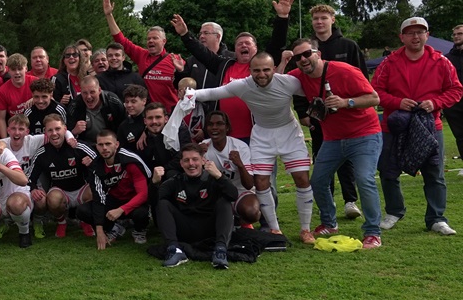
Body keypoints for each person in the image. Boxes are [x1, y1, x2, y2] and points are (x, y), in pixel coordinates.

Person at [186, 52, 315, 242]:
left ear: (274, 69)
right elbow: (213, 93)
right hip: (262, 135)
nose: (261, 74)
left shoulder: (289, 82)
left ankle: (305, 229)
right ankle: (274, 230)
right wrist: (190, 94)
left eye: (266, 70)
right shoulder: (243, 85)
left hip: (289, 132)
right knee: (261, 183)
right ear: (250, 71)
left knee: (302, 178)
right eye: (256, 70)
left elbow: (313, 88)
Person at [286, 39, 384, 249]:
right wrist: (283, 61)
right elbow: (273, 80)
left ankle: (373, 232)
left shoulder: (345, 71)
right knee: (318, 181)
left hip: (364, 135)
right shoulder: (299, 75)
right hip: (333, 139)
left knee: (364, 179)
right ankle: (329, 223)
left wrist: (346, 102)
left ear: (318, 54)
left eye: (307, 54)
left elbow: (374, 98)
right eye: (297, 57)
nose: (303, 59)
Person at [372, 17, 463, 235]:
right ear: (401, 37)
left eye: (420, 32)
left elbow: (456, 90)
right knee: (388, 170)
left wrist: (436, 103)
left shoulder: (441, 61)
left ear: (427, 35)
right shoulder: (389, 63)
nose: (415, 36)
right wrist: (397, 102)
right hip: (395, 125)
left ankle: (436, 218)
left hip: (431, 125)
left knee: (435, 173)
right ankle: (394, 211)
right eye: (410, 33)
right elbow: (375, 91)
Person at [156, 144, 238, 269]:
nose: (191, 164)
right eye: (186, 160)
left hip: (209, 229)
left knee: (225, 202)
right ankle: (174, 250)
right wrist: (154, 183)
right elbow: (155, 201)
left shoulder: (213, 179)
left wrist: (219, 176)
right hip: (185, 229)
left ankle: (220, 250)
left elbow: (233, 195)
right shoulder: (175, 181)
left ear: (203, 161)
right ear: (181, 163)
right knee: (163, 204)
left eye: (195, 159)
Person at [27, 115, 96, 242]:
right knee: (52, 199)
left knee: (95, 190)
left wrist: (92, 163)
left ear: (65, 129)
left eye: (57, 129)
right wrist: (33, 189)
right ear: (45, 132)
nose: (54, 133)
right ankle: (61, 222)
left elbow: (101, 163)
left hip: (82, 189)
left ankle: (85, 221)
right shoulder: (42, 153)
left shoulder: (78, 146)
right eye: (50, 130)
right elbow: (30, 177)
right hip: (60, 191)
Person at [103, 0, 179, 108]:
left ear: (164, 41)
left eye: (155, 38)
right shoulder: (142, 55)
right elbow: (121, 40)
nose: (151, 41)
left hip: (171, 112)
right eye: (148, 39)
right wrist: (109, 15)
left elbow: (188, 83)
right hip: (148, 113)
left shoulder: (175, 60)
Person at [81, 130, 150, 248]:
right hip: (114, 198)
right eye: (101, 145)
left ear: (116, 144)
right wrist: (99, 230)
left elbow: (143, 194)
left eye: (108, 144)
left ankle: (139, 230)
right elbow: (98, 198)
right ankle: (114, 229)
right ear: (97, 147)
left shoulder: (129, 160)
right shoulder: (95, 166)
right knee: (83, 210)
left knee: (141, 213)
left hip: (133, 199)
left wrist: (121, 209)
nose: (104, 148)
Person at [199, 111, 261, 229]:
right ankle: (230, 223)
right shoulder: (202, 147)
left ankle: (243, 222)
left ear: (227, 127)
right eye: (210, 124)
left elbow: (249, 185)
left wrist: (240, 165)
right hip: (216, 194)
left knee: (251, 212)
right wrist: (198, 157)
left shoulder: (240, 147)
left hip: (240, 192)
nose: (214, 127)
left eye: (219, 124)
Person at [66, 76, 126, 144]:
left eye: (92, 92)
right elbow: (67, 132)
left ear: (99, 90)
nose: (89, 96)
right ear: (81, 92)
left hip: (111, 144)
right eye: (85, 93)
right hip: (86, 145)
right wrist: (74, 131)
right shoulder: (74, 106)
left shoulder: (113, 102)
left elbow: (124, 126)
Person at [0, 54, 36, 138]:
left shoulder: (35, 82)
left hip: (36, 124)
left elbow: (50, 97)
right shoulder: (3, 91)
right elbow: (1, 119)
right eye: (13, 69)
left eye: (20, 69)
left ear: (26, 69)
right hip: (17, 129)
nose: (17, 72)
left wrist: (35, 98)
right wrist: (5, 140)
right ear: (8, 70)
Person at [442, 24, 463, 164]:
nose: (456, 36)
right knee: (460, 137)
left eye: (459, 34)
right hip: (454, 105)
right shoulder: (447, 59)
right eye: (454, 34)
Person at [53, 44, 85, 111]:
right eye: (67, 55)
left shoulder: (87, 77)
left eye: (75, 55)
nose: (71, 57)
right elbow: (51, 103)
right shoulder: (56, 79)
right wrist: (60, 102)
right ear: (64, 60)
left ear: (80, 58)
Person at [116, 84, 149, 149]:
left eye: (133, 102)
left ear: (144, 101)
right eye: (126, 102)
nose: (129, 105)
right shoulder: (124, 126)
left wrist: (147, 131)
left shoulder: (154, 119)